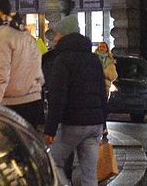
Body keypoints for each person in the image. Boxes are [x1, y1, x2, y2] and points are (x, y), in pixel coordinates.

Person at [43, 14, 108, 186]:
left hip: (73, 123)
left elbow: (58, 96)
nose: (54, 39)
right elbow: (102, 92)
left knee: (51, 162)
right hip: (95, 124)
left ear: (65, 35)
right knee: (90, 175)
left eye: (56, 35)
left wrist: (50, 129)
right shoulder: (93, 59)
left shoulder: (62, 59)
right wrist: (104, 123)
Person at [0, 0, 45, 130]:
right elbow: (38, 71)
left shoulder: (1, 36)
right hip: (33, 102)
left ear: (0, 9)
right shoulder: (26, 35)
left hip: (12, 106)